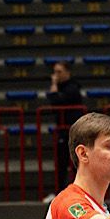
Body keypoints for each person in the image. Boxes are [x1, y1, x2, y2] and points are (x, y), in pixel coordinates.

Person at [46, 61, 84, 191]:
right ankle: (59, 193)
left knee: (75, 164)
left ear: (67, 72)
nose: (56, 75)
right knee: (61, 164)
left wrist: (53, 85)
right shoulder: (62, 87)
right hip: (63, 131)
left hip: (72, 132)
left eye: (59, 72)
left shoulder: (72, 88)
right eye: (54, 72)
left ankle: (78, 192)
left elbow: (56, 102)